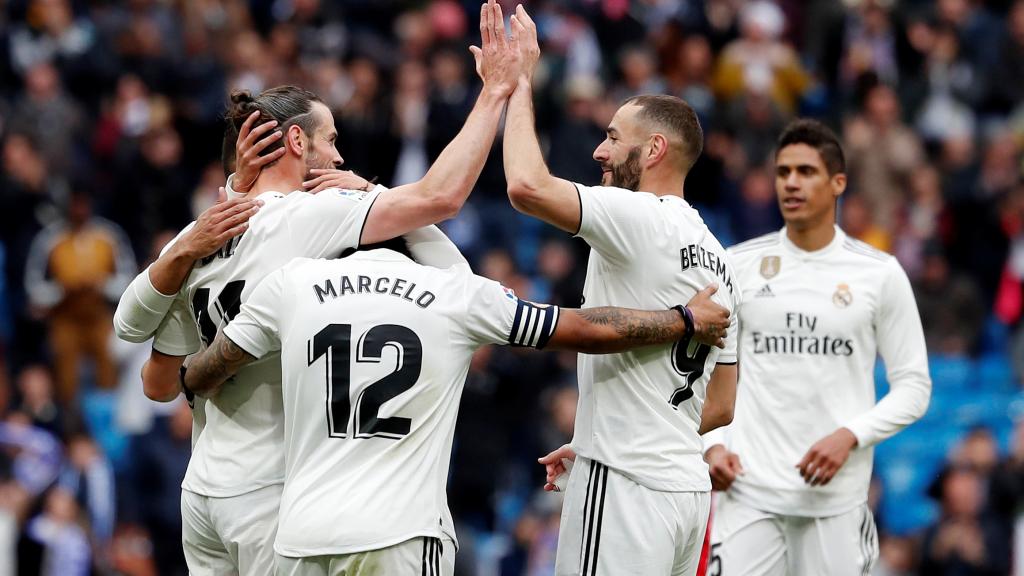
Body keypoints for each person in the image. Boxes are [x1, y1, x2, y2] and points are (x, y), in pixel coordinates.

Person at [111, 3, 522, 572]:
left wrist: (191, 236)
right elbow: (441, 197)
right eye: (331, 139)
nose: (339, 155)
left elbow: (157, 380)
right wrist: (494, 94)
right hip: (273, 488)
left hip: (204, 490)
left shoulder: (204, 232)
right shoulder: (314, 214)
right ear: (298, 142)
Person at [181, 246, 731, 575]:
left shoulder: (294, 283)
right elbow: (582, 328)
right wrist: (682, 319)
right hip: (401, 535)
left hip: (302, 535)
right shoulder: (455, 293)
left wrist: (183, 373)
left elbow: (205, 373)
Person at [503, 8, 740, 575]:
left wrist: (518, 83)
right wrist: (598, 434)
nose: (598, 152)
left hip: (627, 484)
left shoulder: (637, 214)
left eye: (612, 137)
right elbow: (723, 403)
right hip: (685, 491)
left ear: (654, 150)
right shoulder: (722, 261)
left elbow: (526, 186)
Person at [702, 119, 932, 575]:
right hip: (748, 497)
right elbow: (707, 372)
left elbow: (914, 386)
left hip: (836, 504)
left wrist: (850, 435)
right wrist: (712, 445)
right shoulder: (737, 265)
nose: (791, 182)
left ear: (838, 183)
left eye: (806, 171)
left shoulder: (879, 274)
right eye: (783, 171)